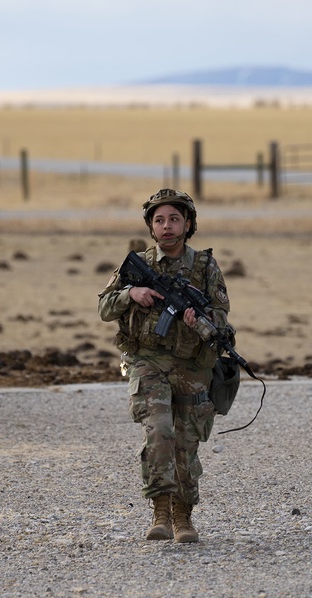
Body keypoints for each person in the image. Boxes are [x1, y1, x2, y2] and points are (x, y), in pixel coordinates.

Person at [98, 188, 231, 544]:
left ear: (188, 224)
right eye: (159, 220)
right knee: (158, 431)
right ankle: (160, 512)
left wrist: (198, 320)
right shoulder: (139, 265)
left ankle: (182, 517)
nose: (167, 226)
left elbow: (221, 316)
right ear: (151, 227)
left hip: (191, 367)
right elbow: (104, 307)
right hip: (148, 361)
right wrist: (132, 294)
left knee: (185, 444)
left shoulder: (204, 267)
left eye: (174, 219)